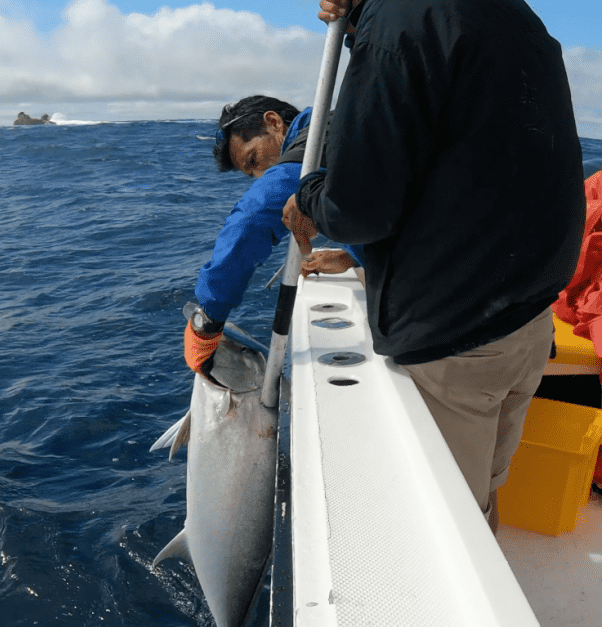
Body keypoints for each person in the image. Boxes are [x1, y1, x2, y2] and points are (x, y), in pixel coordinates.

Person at [283, 0, 586, 531]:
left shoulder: (396, 25)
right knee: (485, 490)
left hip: (456, 335)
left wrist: (308, 196)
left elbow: (359, 210)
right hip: (529, 319)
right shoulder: (515, 15)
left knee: (449, 524)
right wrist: (360, 28)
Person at [184, 95, 362, 375]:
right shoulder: (341, 128)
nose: (261, 176)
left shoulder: (315, 146)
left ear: (274, 123)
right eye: (251, 173)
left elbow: (251, 221)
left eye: (253, 159)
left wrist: (208, 321)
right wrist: (356, 254)